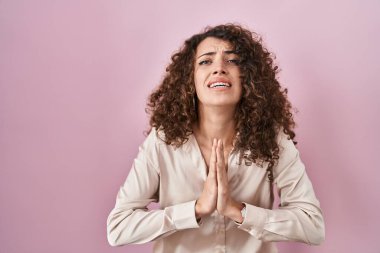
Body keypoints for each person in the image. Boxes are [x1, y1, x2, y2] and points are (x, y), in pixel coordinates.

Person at [106, 24, 325, 253]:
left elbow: (313, 225)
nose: (219, 68)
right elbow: (119, 227)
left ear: (249, 77)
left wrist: (238, 211)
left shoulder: (273, 139)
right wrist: (196, 210)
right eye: (205, 61)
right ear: (190, 80)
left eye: (233, 60)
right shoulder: (162, 141)